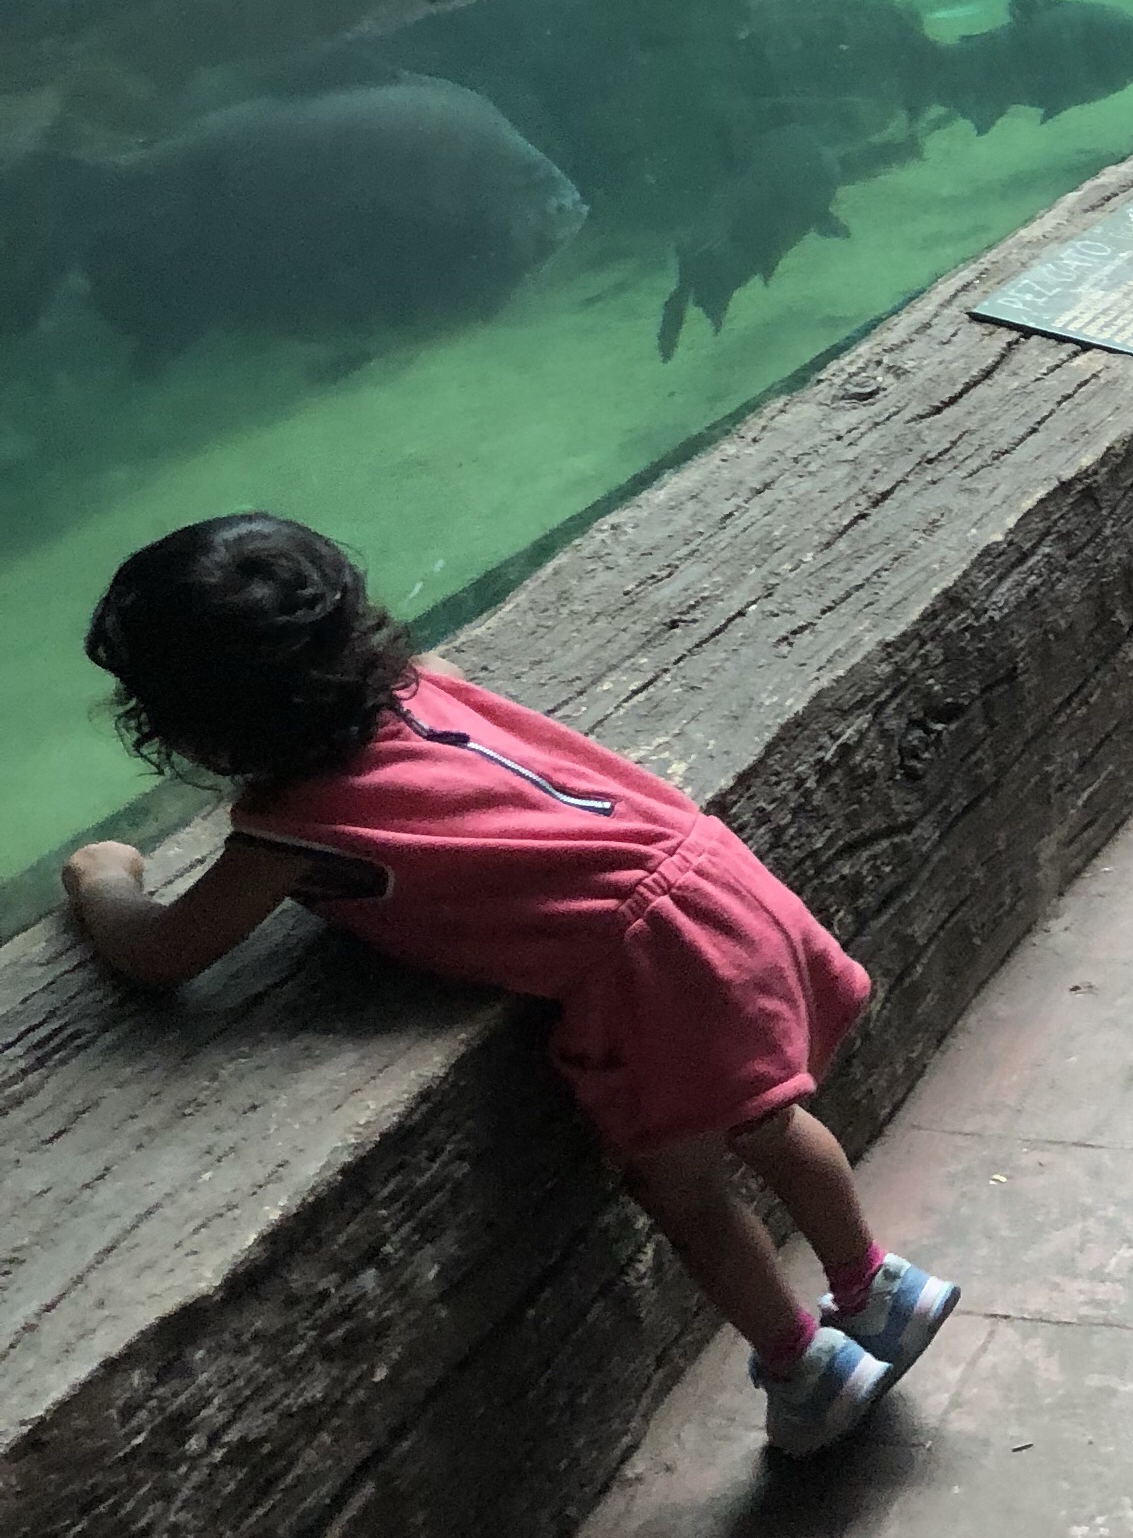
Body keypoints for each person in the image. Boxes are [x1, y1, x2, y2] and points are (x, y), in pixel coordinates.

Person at [61, 512, 956, 1460]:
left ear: (195, 730)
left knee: (683, 1192)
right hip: (715, 883)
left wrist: (102, 879)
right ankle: (877, 1290)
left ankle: (806, 1370)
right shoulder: (420, 686)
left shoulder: (290, 833)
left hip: (647, 965)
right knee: (769, 1119)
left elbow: (161, 954)